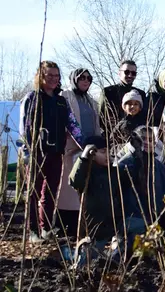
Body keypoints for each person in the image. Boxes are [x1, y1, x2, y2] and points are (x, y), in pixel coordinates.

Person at [20, 61, 84, 242]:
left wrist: (84, 143)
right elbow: (24, 127)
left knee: (50, 191)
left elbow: (72, 124)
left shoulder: (61, 101)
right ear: (41, 77)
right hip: (37, 153)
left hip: (56, 152)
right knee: (33, 192)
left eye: (57, 76)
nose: (54, 79)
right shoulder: (32, 98)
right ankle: (32, 231)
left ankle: (46, 227)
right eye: (50, 76)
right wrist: (27, 151)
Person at [69, 135, 146, 251]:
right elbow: (74, 181)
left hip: (115, 224)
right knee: (89, 259)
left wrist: (136, 154)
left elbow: (132, 178)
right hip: (95, 229)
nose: (107, 155)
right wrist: (83, 157)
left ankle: (120, 255)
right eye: (103, 151)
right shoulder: (88, 174)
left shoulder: (113, 172)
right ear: (93, 154)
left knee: (140, 225)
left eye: (108, 151)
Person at [59, 68, 101, 237]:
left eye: (88, 78)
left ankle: (82, 224)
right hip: (71, 148)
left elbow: (96, 123)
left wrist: (98, 142)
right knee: (68, 188)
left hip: (90, 148)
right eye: (82, 78)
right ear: (74, 79)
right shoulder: (65, 96)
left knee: (85, 187)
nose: (85, 81)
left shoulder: (91, 101)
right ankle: (64, 224)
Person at [100, 60, 147, 135]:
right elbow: (101, 118)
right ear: (119, 73)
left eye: (133, 73)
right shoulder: (108, 92)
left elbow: (144, 117)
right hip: (113, 137)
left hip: (136, 136)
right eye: (127, 72)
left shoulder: (140, 94)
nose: (130, 75)